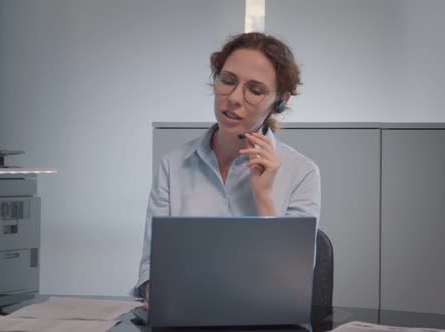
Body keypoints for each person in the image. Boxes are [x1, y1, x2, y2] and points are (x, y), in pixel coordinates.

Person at [132, 32, 321, 308]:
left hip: (267, 321)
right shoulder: (173, 165)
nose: (233, 98)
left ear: (280, 101)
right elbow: (152, 268)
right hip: (187, 319)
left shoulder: (302, 172)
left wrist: (264, 196)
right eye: (228, 81)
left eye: (255, 90)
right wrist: (154, 288)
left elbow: (291, 283)